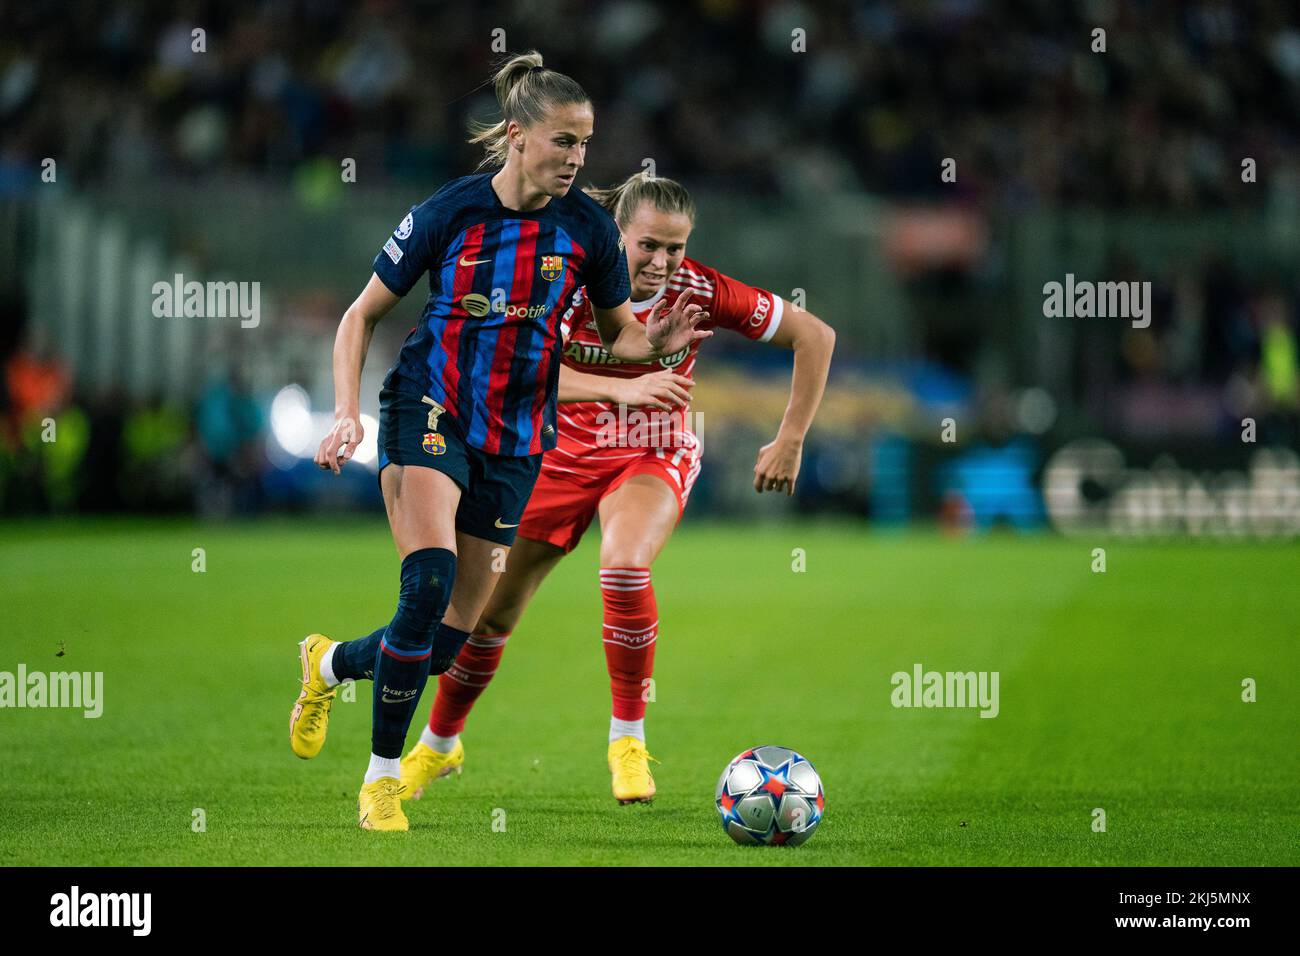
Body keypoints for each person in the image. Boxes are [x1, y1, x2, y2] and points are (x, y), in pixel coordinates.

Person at [287, 55, 710, 832]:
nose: (577, 158)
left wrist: (656, 344)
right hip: (428, 409)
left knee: (448, 643)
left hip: (516, 441)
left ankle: (330, 663)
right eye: (563, 141)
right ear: (517, 136)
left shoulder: (587, 229)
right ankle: (381, 781)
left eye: (585, 143)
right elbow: (360, 315)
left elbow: (619, 334)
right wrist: (346, 413)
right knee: (427, 585)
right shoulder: (449, 212)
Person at [399, 172, 835, 805]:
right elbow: (522, 374)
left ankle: (627, 740)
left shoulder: (699, 290)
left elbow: (814, 335)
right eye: (648, 245)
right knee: (487, 615)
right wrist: (620, 387)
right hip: (556, 457)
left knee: (625, 565)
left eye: (675, 247)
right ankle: (439, 745)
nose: (661, 262)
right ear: (616, 235)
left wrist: (791, 438)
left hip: (652, 450)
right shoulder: (566, 280)